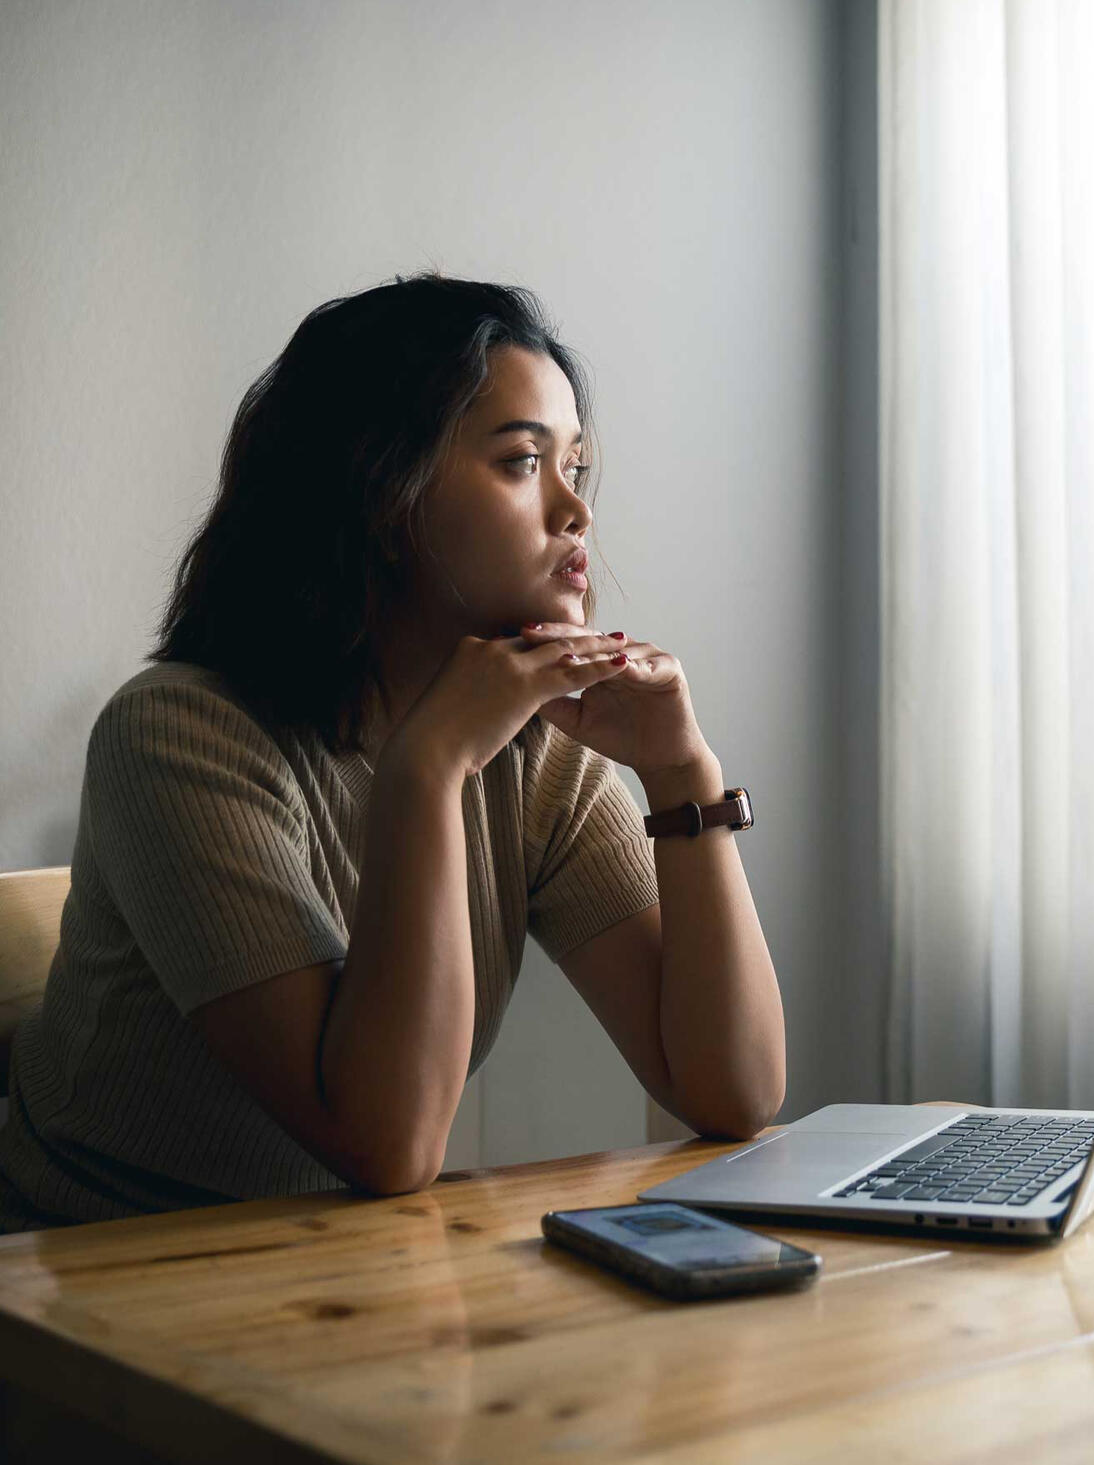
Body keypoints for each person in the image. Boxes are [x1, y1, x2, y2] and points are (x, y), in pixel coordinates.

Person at [0, 273, 785, 1232]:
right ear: (383, 498)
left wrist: (683, 774)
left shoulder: (540, 757)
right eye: (519, 463)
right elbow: (389, 1141)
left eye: (573, 468)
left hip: (341, 1276)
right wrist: (428, 768)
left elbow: (734, 1092)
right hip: (82, 1287)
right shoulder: (177, 737)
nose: (574, 513)